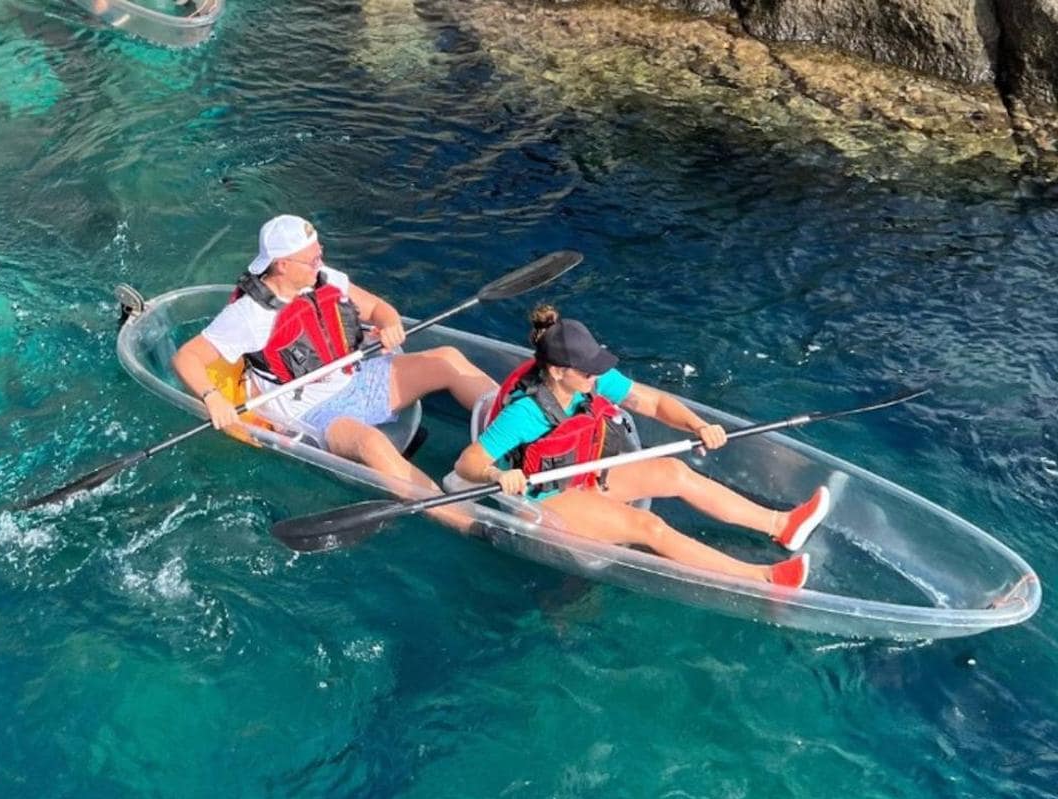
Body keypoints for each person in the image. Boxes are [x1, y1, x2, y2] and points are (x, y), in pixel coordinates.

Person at [454, 305, 830, 587]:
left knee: (673, 472)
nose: (596, 375)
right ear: (557, 371)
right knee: (649, 526)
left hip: (582, 476)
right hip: (543, 499)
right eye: (588, 370)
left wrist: (698, 425)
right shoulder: (526, 413)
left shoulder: (590, 380)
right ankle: (764, 579)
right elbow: (467, 463)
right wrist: (495, 475)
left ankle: (781, 524)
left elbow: (652, 403)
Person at [173, 214, 496, 524]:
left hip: (358, 377)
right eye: (311, 258)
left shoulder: (326, 278)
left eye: (319, 253)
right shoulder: (249, 315)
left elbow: (377, 308)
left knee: (446, 359)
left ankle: (525, 433)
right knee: (370, 444)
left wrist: (390, 323)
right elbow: (187, 357)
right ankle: (464, 519)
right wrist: (212, 397)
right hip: (314, 412)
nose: (320, 261)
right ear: (282, 264)